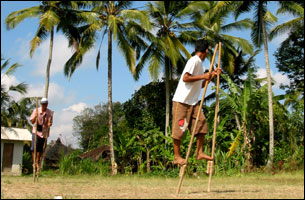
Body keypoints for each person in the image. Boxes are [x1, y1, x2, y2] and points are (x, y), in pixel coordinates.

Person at [171, 39, 221, 166]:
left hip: (193, 102)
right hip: (182, 101)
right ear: (206, 52)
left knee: (202, 124)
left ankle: (199, 152)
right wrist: (203, 76)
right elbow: (185, 78)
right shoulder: (194, 61)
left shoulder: (199, 65)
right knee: (179, 129)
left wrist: (212, 75)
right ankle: (177, 157)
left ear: (195, 49)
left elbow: (200, 85)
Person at [30, 97, 53, 172]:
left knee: (40, 150)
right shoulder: (36, 110)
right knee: (34, 148)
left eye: (45, 104)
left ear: (47, 105)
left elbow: (49, 123)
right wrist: (35, 117)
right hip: (36, 131)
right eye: (43, 104)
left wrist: (50, 124)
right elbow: (32, 121)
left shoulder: (49, 112)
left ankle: (37, 162)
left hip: (43, 132)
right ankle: (34, 162)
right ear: (41, 104)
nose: (44, 106)